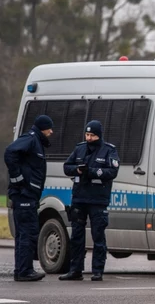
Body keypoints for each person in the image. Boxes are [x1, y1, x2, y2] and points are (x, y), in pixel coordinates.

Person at [59, 120, 119, 282]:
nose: (89, 138)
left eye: (92, 135)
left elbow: (112, 171)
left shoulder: (109, 150)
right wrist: (77, 170)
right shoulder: (80, 148)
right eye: (87, 134)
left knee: (98, 236)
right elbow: (67, 167)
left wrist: (91, 172)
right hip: (79, 198)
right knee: (76, 236)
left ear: (99, 135)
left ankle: (97, 271)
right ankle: (75, 270)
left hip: (98, 200)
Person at [4, 115, 54, 282]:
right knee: (28, 233)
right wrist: (17, 179)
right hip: (24, 195)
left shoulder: (36, 142)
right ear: (42, 128)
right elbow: (10, 152)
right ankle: (25, 271)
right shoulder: (31, 139)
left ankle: (21, 270)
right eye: (49, 128)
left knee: (23, 234)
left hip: (26, 195)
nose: (51, 131)